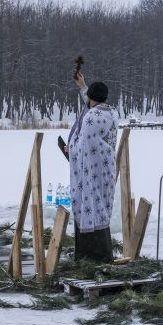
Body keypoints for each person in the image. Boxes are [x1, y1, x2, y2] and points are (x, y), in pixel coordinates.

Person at [66, 72, 118, 262]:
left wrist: (69, 148)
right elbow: (93, 108)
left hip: (90, 173)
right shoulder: (111, 112)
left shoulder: (91, 118)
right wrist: (83, 87)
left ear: (91, 99)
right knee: (101, 208)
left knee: (88, 207)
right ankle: (102, 256)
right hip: (106, 170)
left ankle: (90, 258)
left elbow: (85, 145)